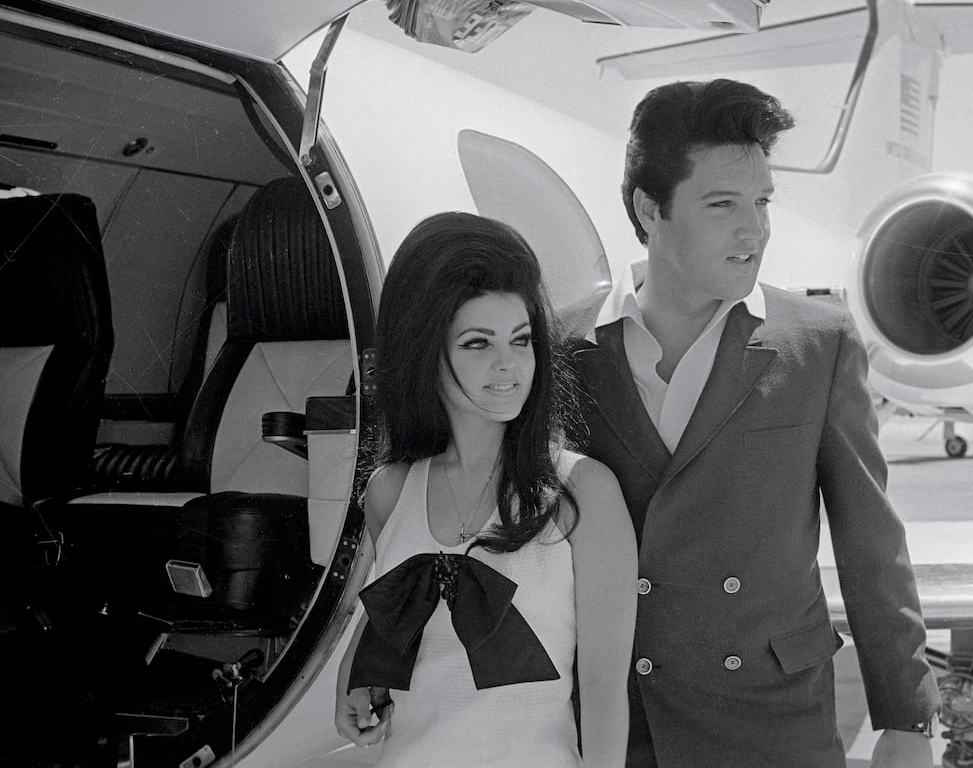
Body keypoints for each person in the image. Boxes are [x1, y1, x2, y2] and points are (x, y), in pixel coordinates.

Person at [568, 79, 940, 767]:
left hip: (775, 726)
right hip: (620, 730)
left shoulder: (818, 343)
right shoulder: (567, 350)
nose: (756, 229)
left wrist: (906, 719)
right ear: (651, 210)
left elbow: (871, 547)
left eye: (762, 201)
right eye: (722, 205)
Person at [334, 212, 637, 766]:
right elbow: (399, 617)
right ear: (426, 351)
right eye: (478, 343)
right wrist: (354, 680)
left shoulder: (581, 492)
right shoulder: (389, 491)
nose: (509, 365)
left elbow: (603, 692)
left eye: (521, 340)